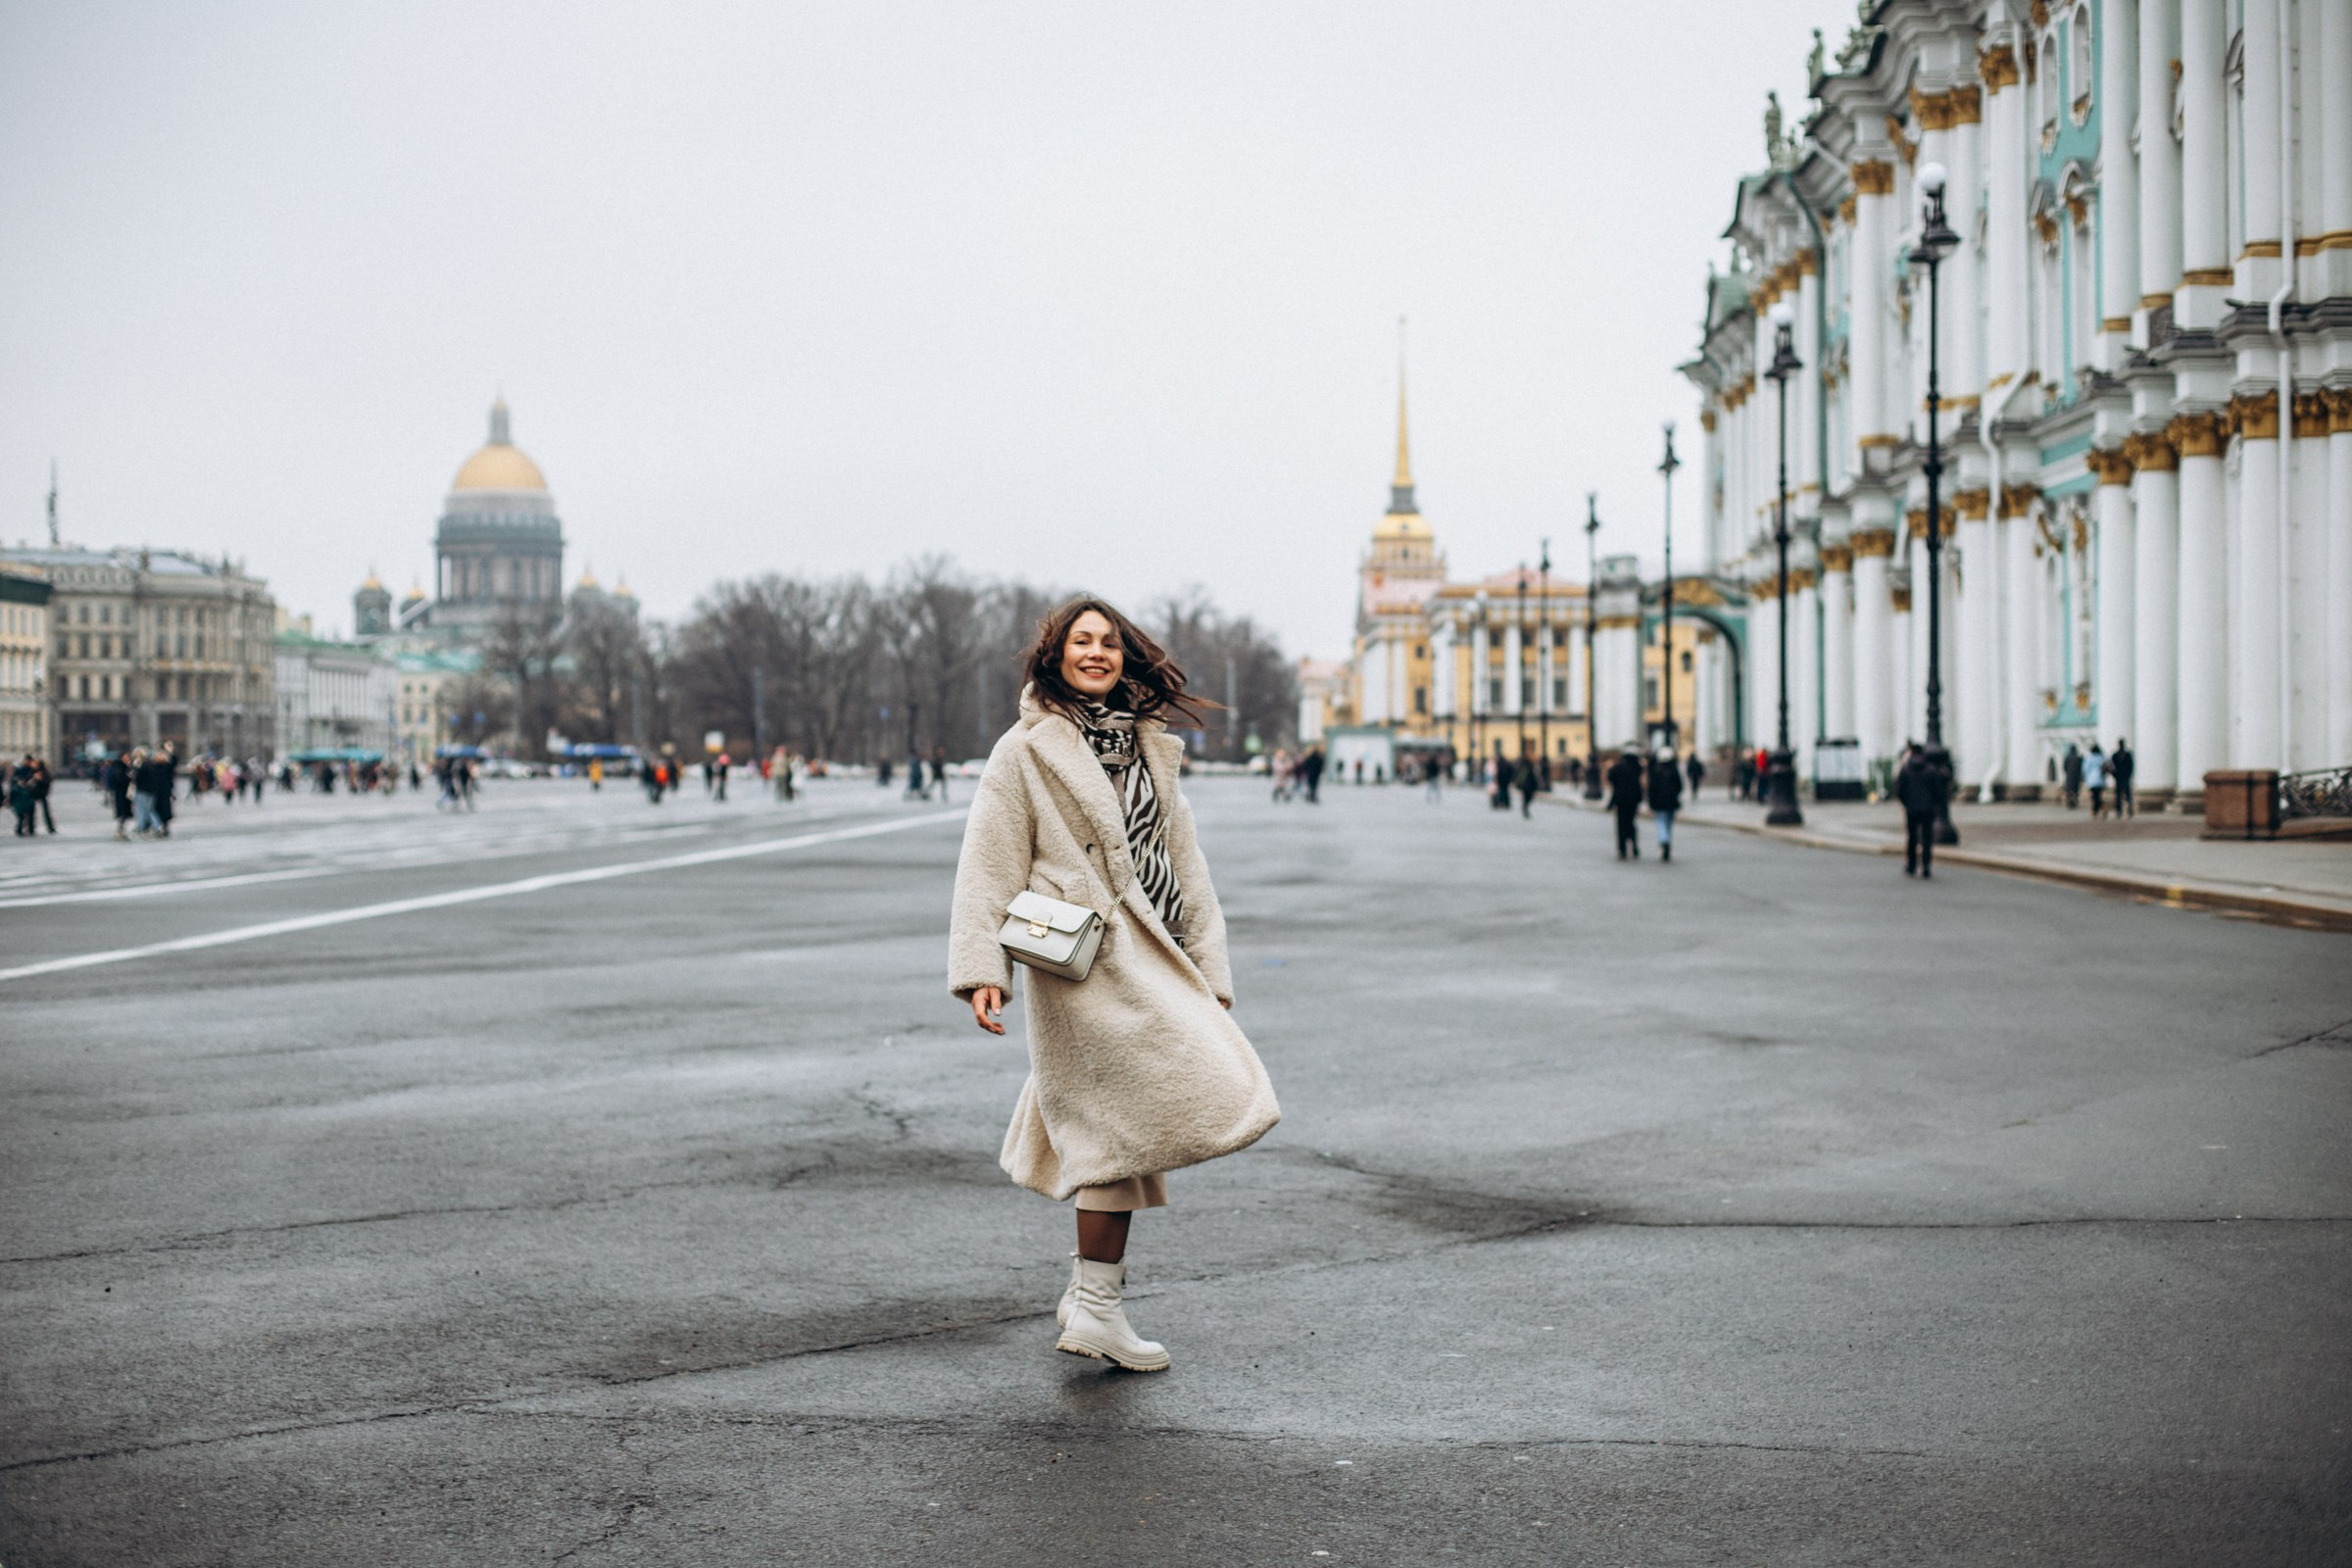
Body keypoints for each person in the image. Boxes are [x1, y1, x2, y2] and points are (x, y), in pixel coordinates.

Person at [950, 596, 1279, 1374]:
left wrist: (1208, 966)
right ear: (1053, 657)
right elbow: (988, 857)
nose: (1094, 653)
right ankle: (1098, 1306)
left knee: (1116, 1122)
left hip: (1157, 950)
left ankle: (1092, 1295)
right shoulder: (1025, 750)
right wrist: (979, 972)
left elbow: (1183, 862)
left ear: (1126, 657)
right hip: (1084, 957)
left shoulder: (1148, 747)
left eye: (1107, 643)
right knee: (1119, 1126)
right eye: (1079, 642)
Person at [1894, 742, 1949, 878]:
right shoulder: (1930, 769)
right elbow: (1938, 790)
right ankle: (1925, 866)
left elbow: (1900, 790)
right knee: (1927, 838)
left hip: (1911, 809)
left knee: (1912, 837)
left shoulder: (1906, 769)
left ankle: (1911, 865)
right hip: (1927, 809)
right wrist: (1933, 804)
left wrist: (1906, 803)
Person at [1606, 743, 1645, 859]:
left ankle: (1622, 848)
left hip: (1620, 799)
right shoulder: (1637, 768)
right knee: (1631, 823)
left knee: (1621, 824)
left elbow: (1611, 778)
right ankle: (1633, 846)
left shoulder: (1618, 768)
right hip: (1633, 800)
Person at [1648, 747, 1685, 861]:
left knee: (1661, 822)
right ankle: (1667, 840)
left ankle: (1664, 840)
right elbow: (1680, 786)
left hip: (1659, 803)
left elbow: (1651, 789)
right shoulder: (1674, 771)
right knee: (1668, 823)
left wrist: (1651, 803)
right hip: (1671, 802)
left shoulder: (1655, 771)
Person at [101, 750, 133, 839]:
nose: (128, 759)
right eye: (126, 757)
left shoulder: (125, 767)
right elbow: (118, 779)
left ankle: (121, 829)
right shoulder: (119, 767)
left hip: (125, 793)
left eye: (128, 757)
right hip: (121, 793)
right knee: (123, 812)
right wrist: (128, 778)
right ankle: (120, 829)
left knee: (125, 813)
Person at [8, 756, 35, 837]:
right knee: (22, 815)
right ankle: (21, 829)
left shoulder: (30, 770)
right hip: (22, 796)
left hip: (28, 794)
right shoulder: (22, 770)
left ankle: (29, 829)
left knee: (28, 813)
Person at [28, 755, 56, 834]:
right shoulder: (32, 771)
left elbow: (48, 781)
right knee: (31, 811)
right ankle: (31, 829)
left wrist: (39, 780)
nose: (33, 765)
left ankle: (50, 827)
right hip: (33, 793)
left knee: (46, 812)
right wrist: (34, 778)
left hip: (41, 793)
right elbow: (28, 782)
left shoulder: (44, 772)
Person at [2110, 738, 2135, 818]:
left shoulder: (2115, 755)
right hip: (2125, 777)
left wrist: (2114, 775)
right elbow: (2131, 766)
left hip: (2118, 777)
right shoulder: (2128, 755)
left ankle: (2119, 811)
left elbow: (2112, 767)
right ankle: (2129, 808)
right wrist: (2129, 775)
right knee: (2127, 794)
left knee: (2118, 795)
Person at [2083, 742, 2108, 819]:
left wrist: (2086, 779)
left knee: (2094, 797)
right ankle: (2101, 808)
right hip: (2101, 781)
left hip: (2091, 781)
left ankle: (2095, 811)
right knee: (2099, 796)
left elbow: (2085, 769)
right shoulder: (2102, 757)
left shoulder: (2089, 758)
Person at [1514, 749, 1539, 817]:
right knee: (1529, 797)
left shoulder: (1520, 763)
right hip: (1529, 784)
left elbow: (1517, 773)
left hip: (1524, 784)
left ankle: (1525, 806)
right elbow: (1533, 776)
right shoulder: (1530, 764)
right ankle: (1525, 807)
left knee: (1526, 797)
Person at [2061, 743, 2083, 808]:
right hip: (2076, 777)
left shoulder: (2067, 757)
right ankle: (2074, 802)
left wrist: (2068, 772)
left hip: (2069, 776)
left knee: (2069, 791)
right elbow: (2080, 767)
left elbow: (2064, 767)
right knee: (2075, 791)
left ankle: (2069, 802)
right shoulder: (2078, 758)